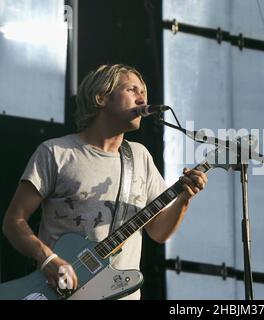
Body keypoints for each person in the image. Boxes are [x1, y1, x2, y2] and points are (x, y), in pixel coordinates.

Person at [1, 64, 207, 300]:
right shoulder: (57, 152)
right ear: (102, 97)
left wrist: (184, 198)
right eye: (133, 90)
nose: (142, 99)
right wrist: (48, 259)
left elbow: (159, 232)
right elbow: (13, 221)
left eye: (145, 94)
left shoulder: (140, 157)